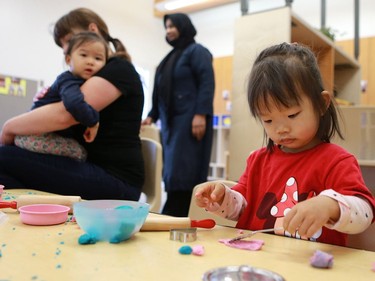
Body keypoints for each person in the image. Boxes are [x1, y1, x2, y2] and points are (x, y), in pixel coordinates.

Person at [194, 42, 375, 247]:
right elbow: (242, 209)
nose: (281, 129)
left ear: (322, 104)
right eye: (268, 120)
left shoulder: (337, 161)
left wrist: (330, 205)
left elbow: (366, 212)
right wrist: (222, 198)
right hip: (259, 263)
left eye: (292, 115)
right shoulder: (258, 160)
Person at [0, 8, 144, 201]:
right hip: (92, 168)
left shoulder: (118, 69)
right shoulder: (86, 76)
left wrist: (9, 128)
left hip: (116, 180)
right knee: (7, 175)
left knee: (4, 157)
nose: (67, 50)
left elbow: (65, 115)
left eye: (68, 41)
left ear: (92, 30)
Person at [142, 13, 215, 217]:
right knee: (172, 170)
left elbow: (207, 83)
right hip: (171, 123)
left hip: (190, 120)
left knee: (184, 169)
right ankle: (175, 212)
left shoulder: (197, 52)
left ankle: (176, 213)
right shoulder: (169, 59)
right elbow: (160, 90)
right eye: (166, 27)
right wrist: (152, 115)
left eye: (173, 25)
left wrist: (201, 114)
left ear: (184, 26)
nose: (169, 30)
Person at [14, 31, 108, 161]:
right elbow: (73, 102)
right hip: (33, 136)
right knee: (80, 153)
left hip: (39, 134)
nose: (90, 62)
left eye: (98, 58)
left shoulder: (83, 82)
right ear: (69, 59)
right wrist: (93, 121)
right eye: (84, 55)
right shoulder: (68, 80)